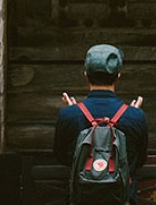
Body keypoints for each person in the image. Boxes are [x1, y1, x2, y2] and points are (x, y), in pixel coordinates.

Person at [54, 44, 149, 204]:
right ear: (118, 75)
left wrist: (73, 113)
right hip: (122, 199)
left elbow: (62, 156)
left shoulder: (68, 115)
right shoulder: (135, 116)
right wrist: (132, 115)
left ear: (86, 75)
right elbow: (139, 160)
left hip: (81, 199)